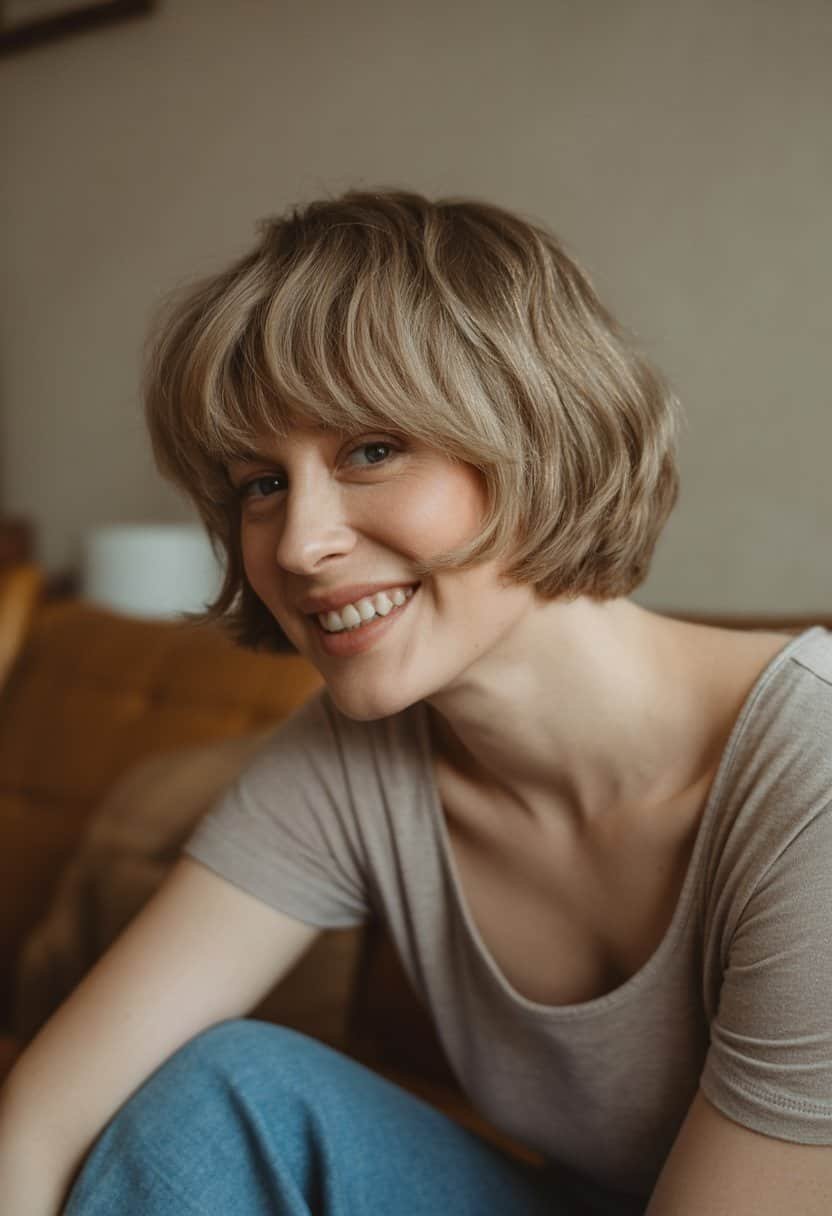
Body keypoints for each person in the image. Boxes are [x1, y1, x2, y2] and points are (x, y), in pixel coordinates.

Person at [1, 189, 830, 1216]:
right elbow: (39, 1119)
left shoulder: (813, 780)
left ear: (539, 435)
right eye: (261, 483)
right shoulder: (358, 759)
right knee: (227, 1092)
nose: (299, 545)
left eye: (371, 450)